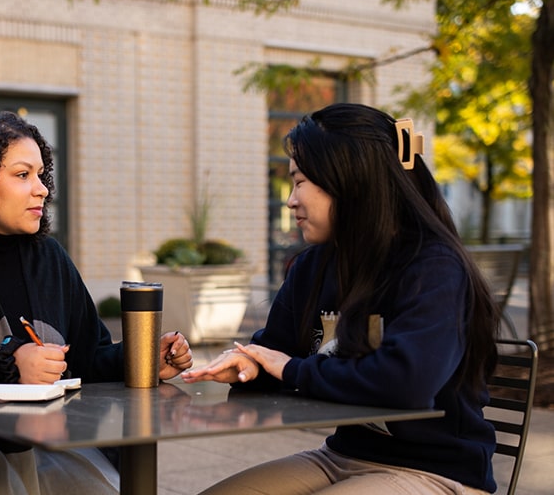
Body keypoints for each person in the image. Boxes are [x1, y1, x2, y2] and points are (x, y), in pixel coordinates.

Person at [182, 103, 499, 495]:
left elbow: (407, 383)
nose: (290, 201)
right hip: (341, 456)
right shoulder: (313, 266)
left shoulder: (432, 266)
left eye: (299, 182)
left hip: (436, 472)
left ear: (350, 182)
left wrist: (290, 370)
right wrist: (250, 365)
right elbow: (276, 353)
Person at [0, 107, 194, 494]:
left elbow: (87, 358)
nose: (42, 188)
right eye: (21, 175)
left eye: (40, 174)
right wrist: (7, 365)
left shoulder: (49, 256)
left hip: (52, 455)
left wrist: (144, 360)